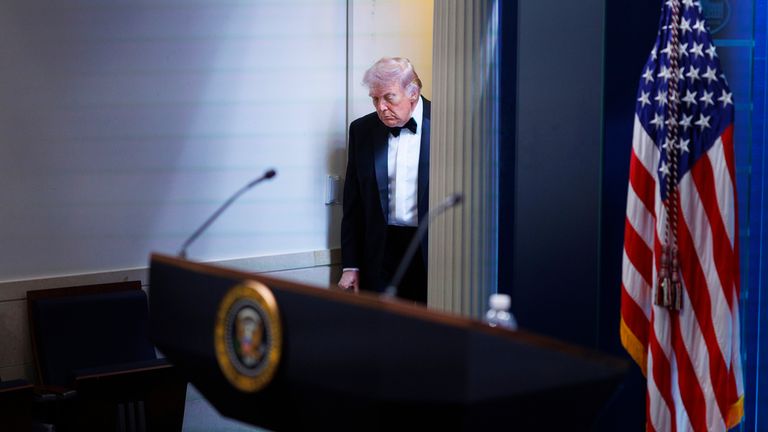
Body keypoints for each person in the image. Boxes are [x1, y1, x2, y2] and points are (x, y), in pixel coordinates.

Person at [338, 57, 430, 303]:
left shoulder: (448, 124)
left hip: (432, 252)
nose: (380, 107)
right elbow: (353, 204)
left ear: (413, 92)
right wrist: (350, 265)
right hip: (379, 253)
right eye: (374, 99)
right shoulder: (361, 130)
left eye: (389, 97)